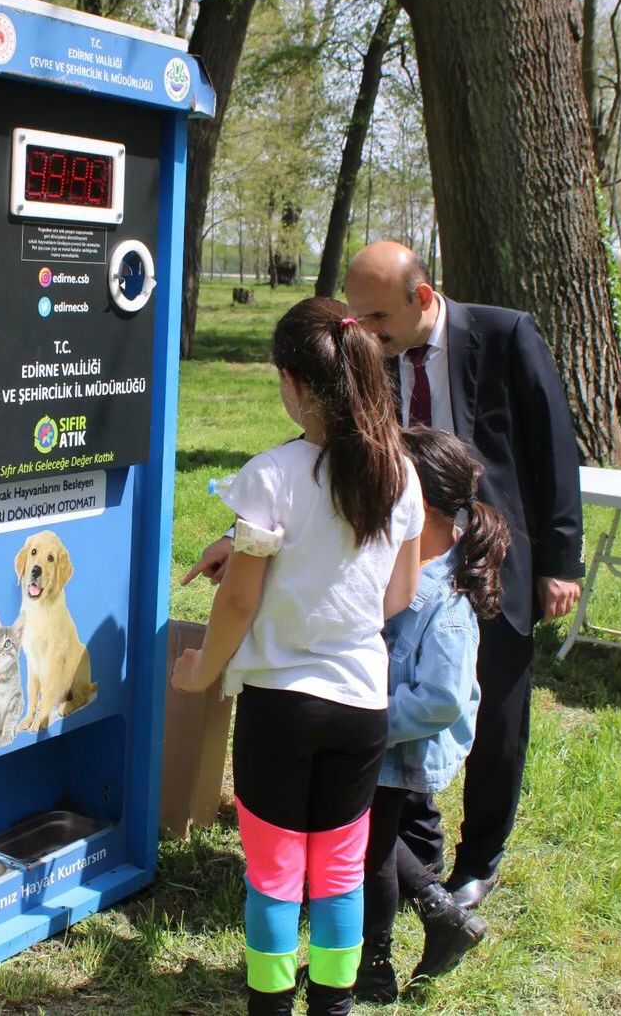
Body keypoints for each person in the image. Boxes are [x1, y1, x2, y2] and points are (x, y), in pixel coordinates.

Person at [184, 241, 584, 911]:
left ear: (421, 298)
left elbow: (553, 447)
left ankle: (478, 860)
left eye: (375, 317)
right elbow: (321, 461)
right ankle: (402, 856)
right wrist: (238, 534)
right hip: (401, 547)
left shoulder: (504, 335)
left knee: (497, 715)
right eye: (355, 318)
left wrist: (562, 563)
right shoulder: (367, 363)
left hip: (493, 549)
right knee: (398, 705)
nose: (363, 334)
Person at [172, 297, 425, 1016]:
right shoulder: (399, 475)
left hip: (280, 706)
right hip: (361, 704)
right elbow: (397, 590)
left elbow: (240, 604)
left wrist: (200, 672)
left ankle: (269, 1006)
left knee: (275, 873)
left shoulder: (268, 476)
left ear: (292, 381)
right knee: (339, 872)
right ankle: (333, 1006)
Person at [356, 426, 510, 1004]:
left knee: (370, 854)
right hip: (380, 740)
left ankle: (371, 968)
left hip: (396, 746)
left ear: (416, 507)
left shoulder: (443, 602)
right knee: (373, 836)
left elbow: (442, 698)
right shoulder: (405, 567)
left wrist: (371, 720)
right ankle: (442, 916)